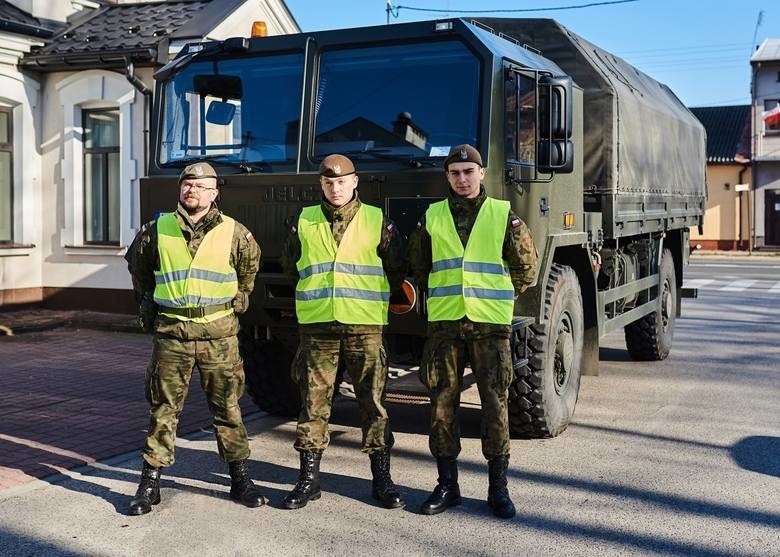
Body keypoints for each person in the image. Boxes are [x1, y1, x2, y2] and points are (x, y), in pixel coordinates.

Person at [124, 162, 265, 515]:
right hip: (172, 335)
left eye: (202, 186)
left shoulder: (236, 233)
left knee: (229, 409)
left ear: (215, 192)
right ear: (180, 190)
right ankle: (149, 484)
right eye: (187, 184)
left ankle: (240, 479)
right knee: (163, 410)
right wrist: (148, 305)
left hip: (219, 336)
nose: (193, 191)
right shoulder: (157, 229)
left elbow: (249, 270)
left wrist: (239, 298)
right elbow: (139, 268)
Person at [407, 144, 538, 518]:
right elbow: (419, 265)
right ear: (447, 177)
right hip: (445, 329)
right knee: (442, 408)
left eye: (468, 171)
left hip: (489, 329)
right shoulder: (432, 216)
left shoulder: (502, 215)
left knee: (495, 407)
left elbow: (525, 269)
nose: (462, 179)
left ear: (481, 173)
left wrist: (495, 298)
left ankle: (498, 490)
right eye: (455, 173)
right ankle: (448, 487)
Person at [279, 154, 407, 510]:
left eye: (342, 181)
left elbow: (396, 268)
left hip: (364, 327)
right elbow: (293, 269)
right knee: (312, 405)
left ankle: (382, 480)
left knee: (374, 405)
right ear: (321, 185)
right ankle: (308, 480)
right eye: (328, 182)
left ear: (355, 182)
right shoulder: (302, 222)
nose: (336, 188)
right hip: (318, 328)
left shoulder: (378, 220)